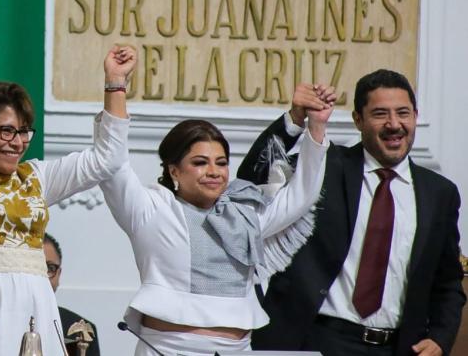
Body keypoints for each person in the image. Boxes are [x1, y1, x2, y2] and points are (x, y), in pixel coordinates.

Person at [0, 40, 134, 356]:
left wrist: (115, 83)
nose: (18, 143)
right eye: (6, 131)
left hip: (34, 314)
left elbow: (108, 158)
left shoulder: (35, 177)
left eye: (23, 132)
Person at [239, 71, 466, 356]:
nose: (394, 124)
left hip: (398, 347)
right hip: (315, 340)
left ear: (415, 116)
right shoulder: (325, 166)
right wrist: (295, 120)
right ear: (358, 120)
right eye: (380, 114)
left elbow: (447, 281)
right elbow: (251, 180)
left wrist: (440, 338)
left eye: (403, 113)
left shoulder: (440, 193)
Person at [99, 83, 336, 355]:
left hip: (237, 349)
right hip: (167, 349)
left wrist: (316, 126)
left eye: (221, 163)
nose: (214, 172)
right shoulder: (151, 209)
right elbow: (113, 165)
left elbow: (301, 195)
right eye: (200, 163)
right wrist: (115, 88)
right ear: (174, 171)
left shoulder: (245, 214)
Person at [43, 233, 101, 356]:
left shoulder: (81, 331)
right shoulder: (1, 323)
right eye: (35, 267)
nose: (42, 276)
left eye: (49, 268)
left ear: (59, 274)